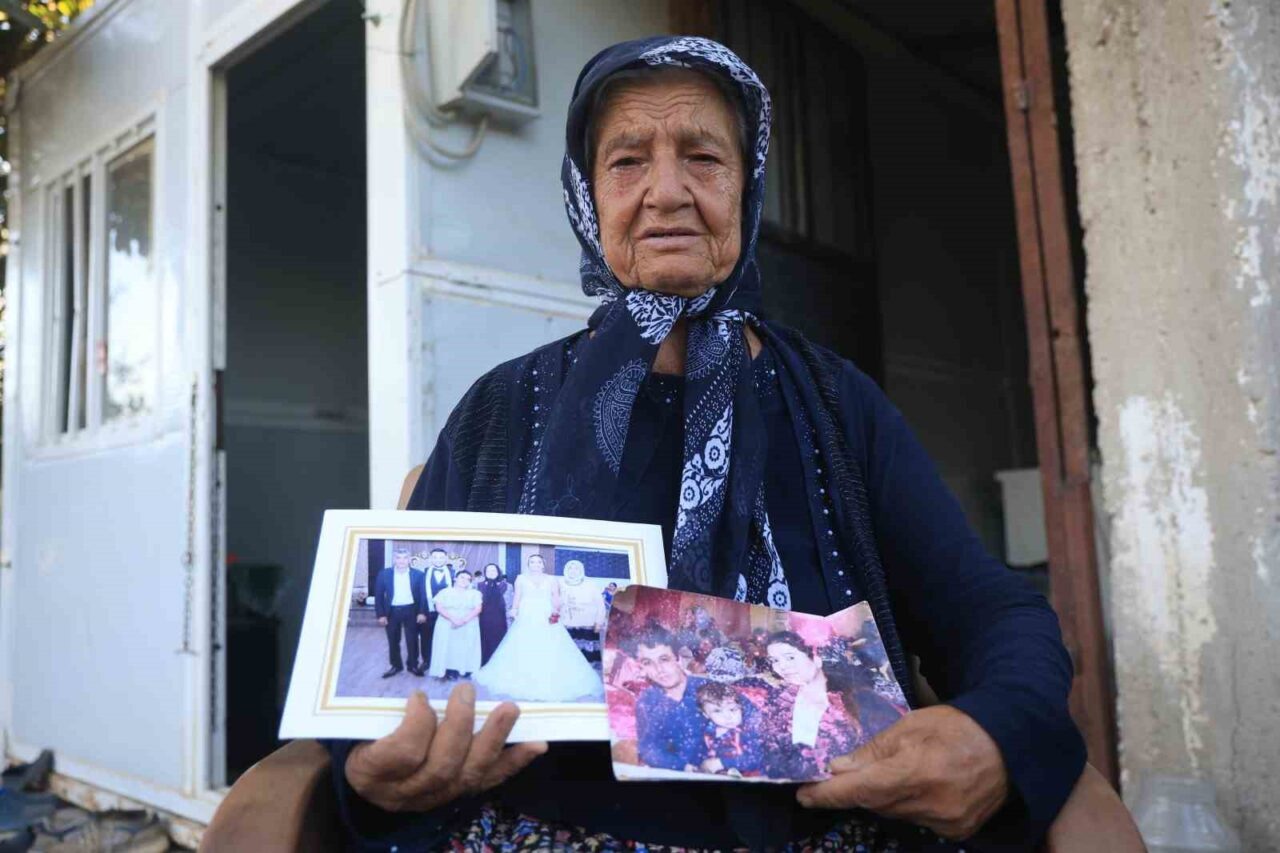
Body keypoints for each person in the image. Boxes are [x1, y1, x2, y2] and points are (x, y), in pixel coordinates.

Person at [331, 36, 1110, 851]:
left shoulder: (834, 405)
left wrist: (994, 731)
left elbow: (989, 609)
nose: (667, 192)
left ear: (748, 187)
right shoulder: (501, 408)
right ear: (586, 194)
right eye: (627, 161)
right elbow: (381, 677)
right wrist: (368, 772)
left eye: (703, 157)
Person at [472, 554, 603, 701]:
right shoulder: (520, 578)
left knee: (550, 644)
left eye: (538, 562)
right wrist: (514, 609)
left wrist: (556, 610)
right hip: (526, 613)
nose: (535, 564)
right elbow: (518, 596)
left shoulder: (551, 579)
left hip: (545, 613)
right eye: (532, 562)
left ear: (543, 564)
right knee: (524, 644)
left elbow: (555, 596)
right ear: (529, 565)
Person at [762, 631, 863, 780]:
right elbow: (769, 749)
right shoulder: (779, 700)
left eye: (790, 657)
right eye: (774, 660)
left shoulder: (852, 701)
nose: (781, 667)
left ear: (817, 659)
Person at [630, 624, 707, 771]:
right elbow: (648, 747)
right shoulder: (647, 701)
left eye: (664, 659)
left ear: (678, 658)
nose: (659, 670)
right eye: (648, 663)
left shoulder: (707, 688)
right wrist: (681, 766)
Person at [372, 547, 427, 677]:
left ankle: (412, 665)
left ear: (409, 560)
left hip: (411, 610)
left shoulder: (418, 574)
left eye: (404, 558)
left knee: (412, 640)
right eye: (398, 558)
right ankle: (396, 666)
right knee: (393, 640)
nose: (401, 561)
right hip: (392, 612)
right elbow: (379, 595)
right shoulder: (384, 574)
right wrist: (381, 615)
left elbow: (423, 595)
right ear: (394, 559)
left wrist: (421, 612)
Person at [694, 680, 764, 777]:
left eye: (733, 709)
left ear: (741, 707)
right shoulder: (707, 732)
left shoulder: (747, 732)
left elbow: (757, 759)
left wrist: (722, 763)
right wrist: (693, 763)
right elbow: (700, 752)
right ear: (706, 714)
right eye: (717, 711)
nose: (728, 716)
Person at [427, 570, 483, 680]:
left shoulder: (475, 593)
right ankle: (448, 669)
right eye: (462, 577)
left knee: (465, 646)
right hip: (447, 621)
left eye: (468, 579)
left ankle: (465, 669)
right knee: (448, 646)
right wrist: (453, 619)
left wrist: (463, 621)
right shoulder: (444, 592)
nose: (464, 580)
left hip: (468, 622)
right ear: (455, 579)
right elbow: (439, 607)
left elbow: (478, 609)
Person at [558, 559, 606, 664]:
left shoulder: (590, 584)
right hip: (567, 624)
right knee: (568, 653)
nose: (573, 571)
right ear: (566, 570)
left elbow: (600, 605)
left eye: (576, 568)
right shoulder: (560, 583)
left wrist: (599, 622)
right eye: (570, 568)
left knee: (586, 657)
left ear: (581, 570)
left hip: (587, 624)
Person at [419, 547, 454, 674]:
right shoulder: (424, 573)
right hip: (428, 611)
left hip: (448, 612)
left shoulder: (453, 573)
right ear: (431, 559)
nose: (438, 560)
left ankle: (447, 663)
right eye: (435, 557)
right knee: (426, 637)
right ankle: (427, 661)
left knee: (447, 637)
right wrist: (421, 612)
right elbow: (421, 594)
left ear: (445, 558)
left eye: (441, 557)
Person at [476, 563, 512, 665]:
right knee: (484, 642)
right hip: (483, 619)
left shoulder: (507, 586)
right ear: (485, 573)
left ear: (498, 572)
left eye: (493, 570)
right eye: (488, 571)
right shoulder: (478, 585)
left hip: (501, 620)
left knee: (501, 642)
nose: (491, 573)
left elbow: (511, 603)